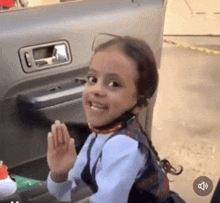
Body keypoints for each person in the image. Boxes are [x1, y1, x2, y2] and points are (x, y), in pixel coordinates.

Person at [47, 34, 184, 203]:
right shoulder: (97, 137)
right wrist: (59, 174)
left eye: (114, 84)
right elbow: (72, 194)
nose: (96, 89)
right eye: (92, 79)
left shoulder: (123, 146)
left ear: (138, 103)